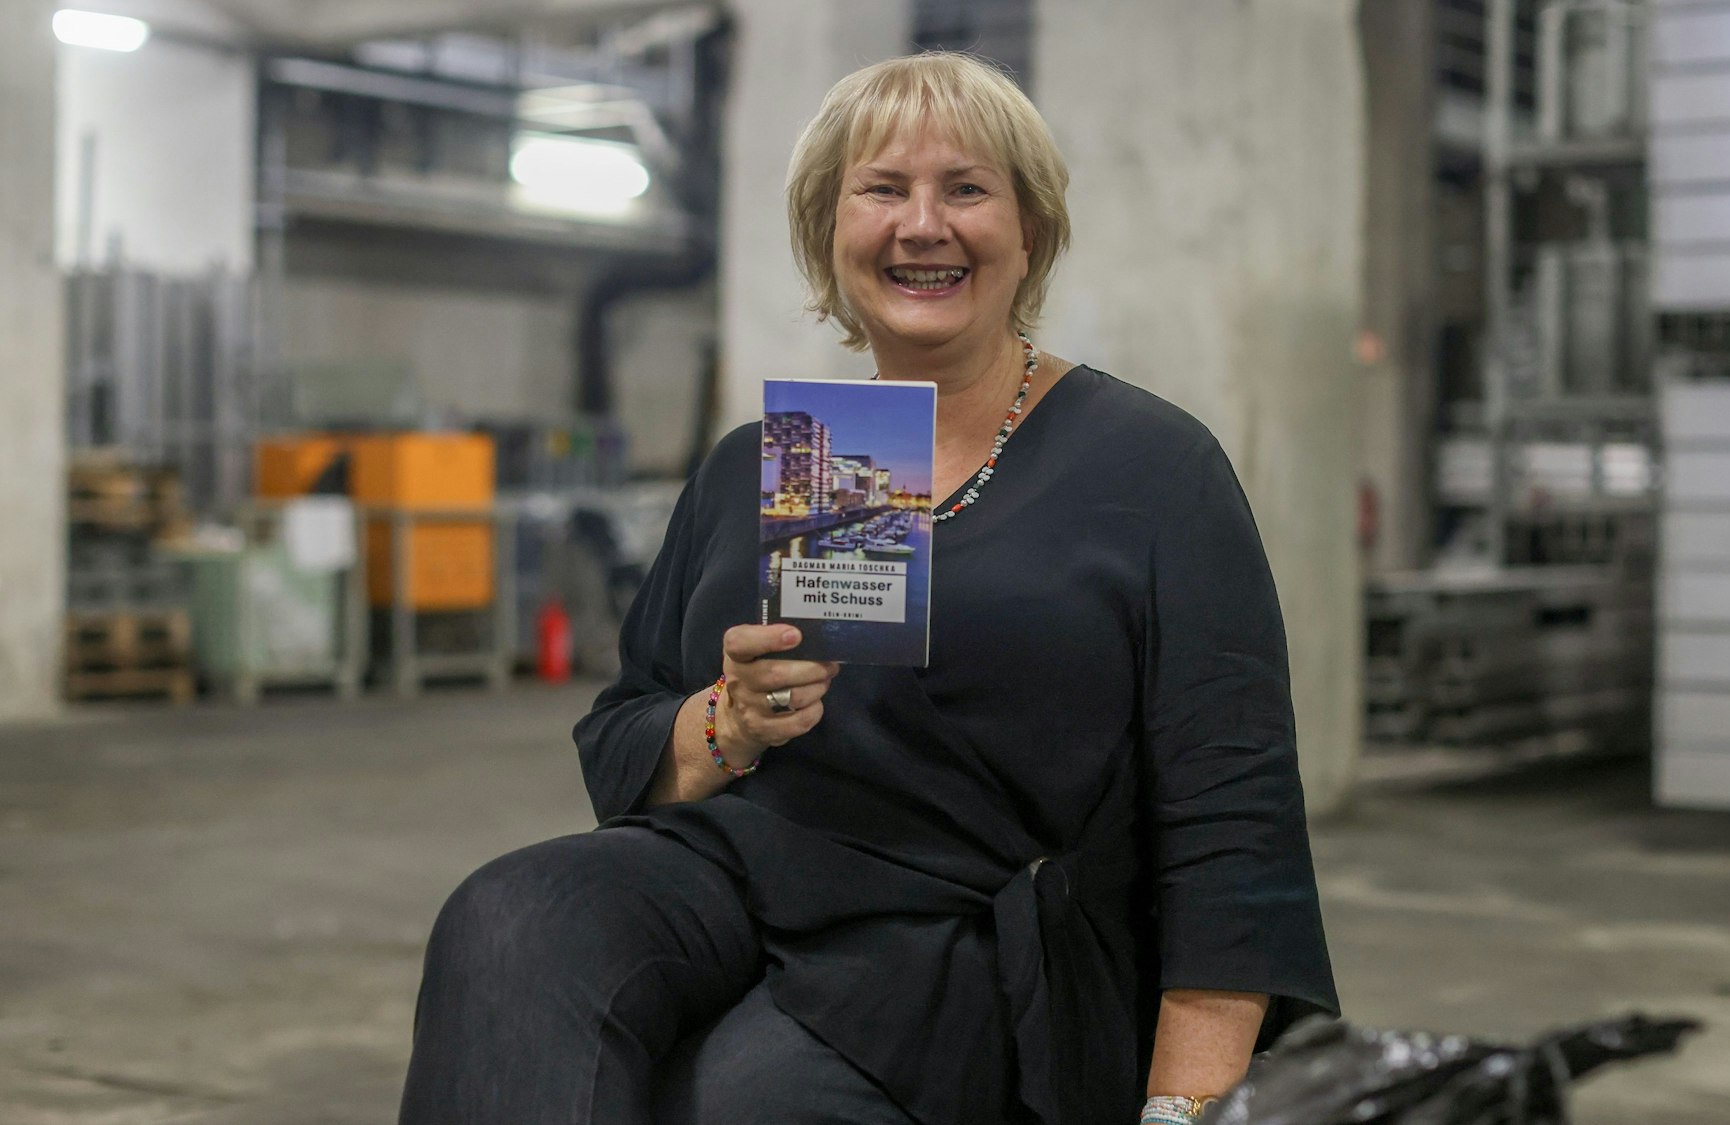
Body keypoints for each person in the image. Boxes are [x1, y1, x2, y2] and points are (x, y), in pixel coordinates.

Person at [398, 51, 1338, 1125]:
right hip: (741, 871)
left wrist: (1184, 1109)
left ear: (1028, 231)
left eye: (966, 189)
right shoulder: (776, 460)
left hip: (964, 934)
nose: (921, 225)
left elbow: (1232, 821)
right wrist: (731, 718)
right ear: (828, 232)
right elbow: (629, 738)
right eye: (881, 189)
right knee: (510, 915)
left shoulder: (1154, 468)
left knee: (739, 1105)